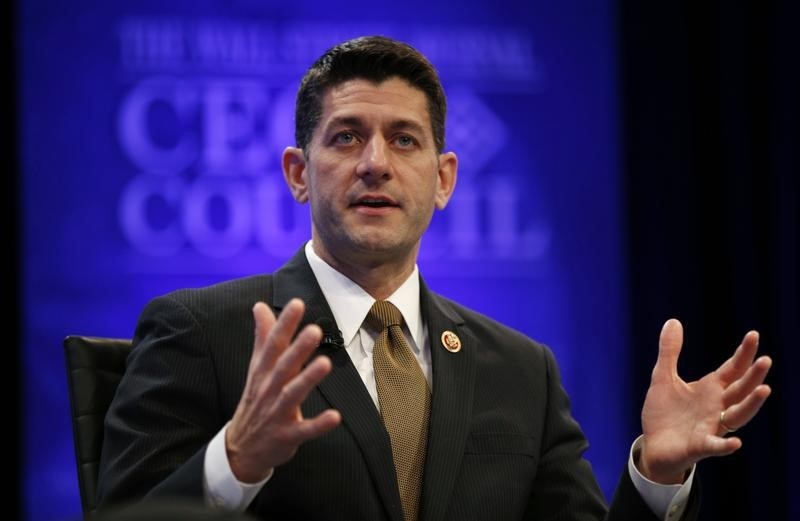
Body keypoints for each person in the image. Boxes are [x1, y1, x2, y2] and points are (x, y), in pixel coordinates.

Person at [97, 36, 772, 521]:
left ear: (444, 178)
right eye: (344, 136)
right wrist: (234, 460)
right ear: (298, 174)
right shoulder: (201, 330)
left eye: (404, 139)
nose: (374, 163)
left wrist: (654, 473)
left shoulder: (520, 369)